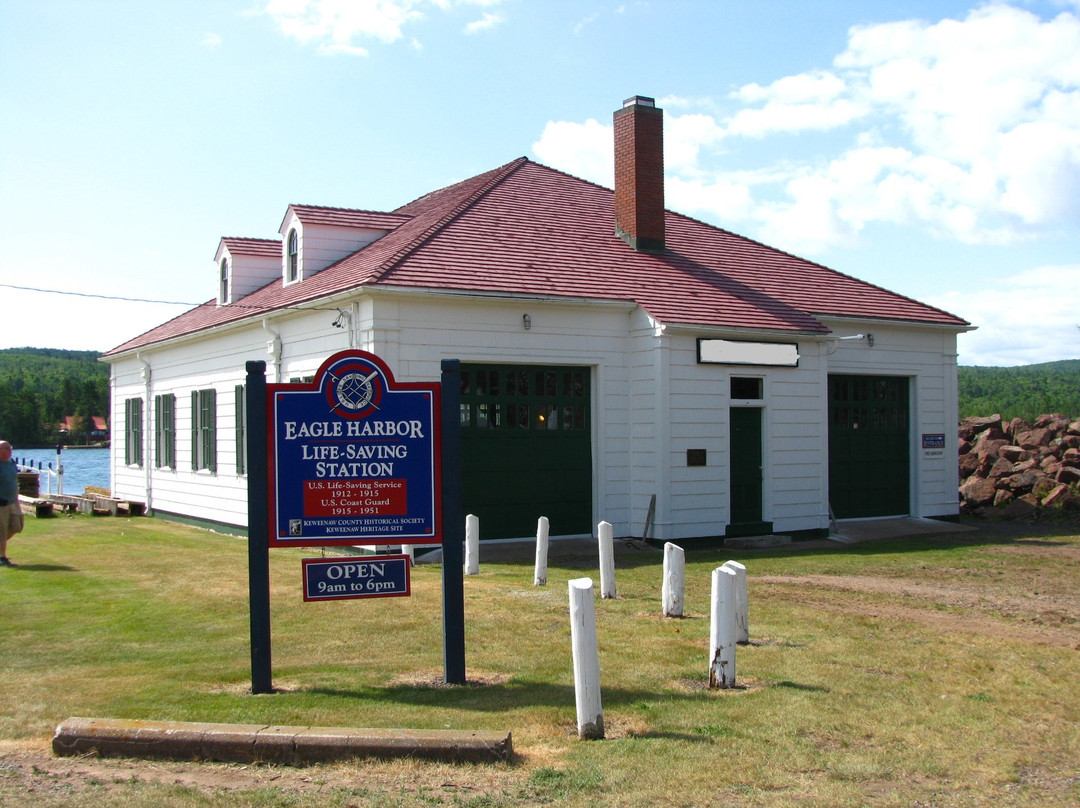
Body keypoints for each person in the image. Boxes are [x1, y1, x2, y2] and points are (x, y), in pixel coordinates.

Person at [0, 440, 23, 567]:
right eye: (7, 448)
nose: (10, 451)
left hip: (13, 501)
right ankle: (2, 558)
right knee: (1, 531)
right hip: (1, 503)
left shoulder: (11, 462)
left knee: (17, 526)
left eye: (10, 448)